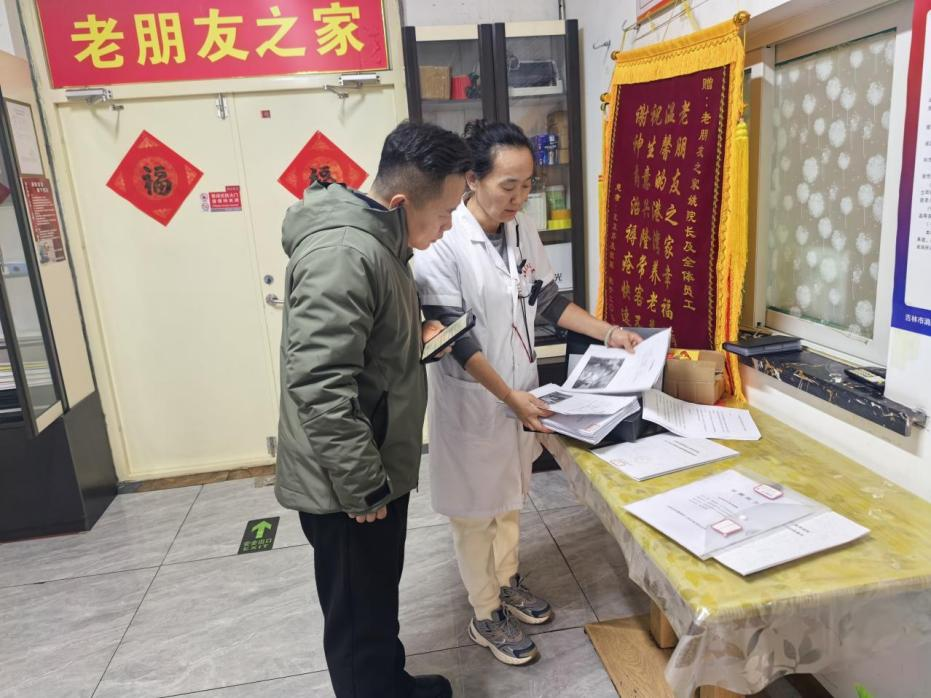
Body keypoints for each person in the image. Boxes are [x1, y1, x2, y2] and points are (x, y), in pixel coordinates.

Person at [412, 120, 642, 666]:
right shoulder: (445, 241)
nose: (519, 197)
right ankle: (484, 612)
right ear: (473, 180)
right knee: (475, 515)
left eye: (527, 185)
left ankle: (507, 581)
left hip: (521, 393)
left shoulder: (520, 228)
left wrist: (609, 331)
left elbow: (548, 300)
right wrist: (507, 397)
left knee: (511, 501)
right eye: (508, 185)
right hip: (474, 400)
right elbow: (454, 337)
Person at [275, 121, 471, 698]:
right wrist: (362, 487)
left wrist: (413, 337)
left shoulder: (381, 242)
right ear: (403, 202)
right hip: (348, 484)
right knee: (359, 618)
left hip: (373, 464)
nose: (449, 226)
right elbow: (319, 382)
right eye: (445, 213)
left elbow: (363, 353)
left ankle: (391, 683)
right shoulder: (345, 253)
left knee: (376, 597)